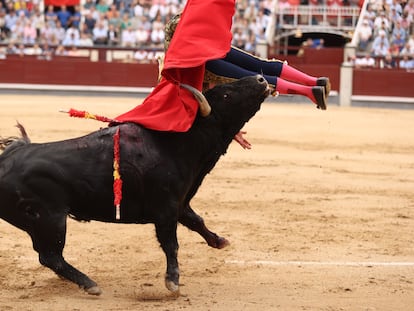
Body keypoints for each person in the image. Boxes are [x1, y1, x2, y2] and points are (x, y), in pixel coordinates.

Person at [163, 13, 330, 109]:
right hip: (211, 44)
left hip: (201, 60)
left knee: (253, 79)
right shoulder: (189, 11)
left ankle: (309, 91)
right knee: (261, 65)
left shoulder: (174, 38)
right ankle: (315, 81)